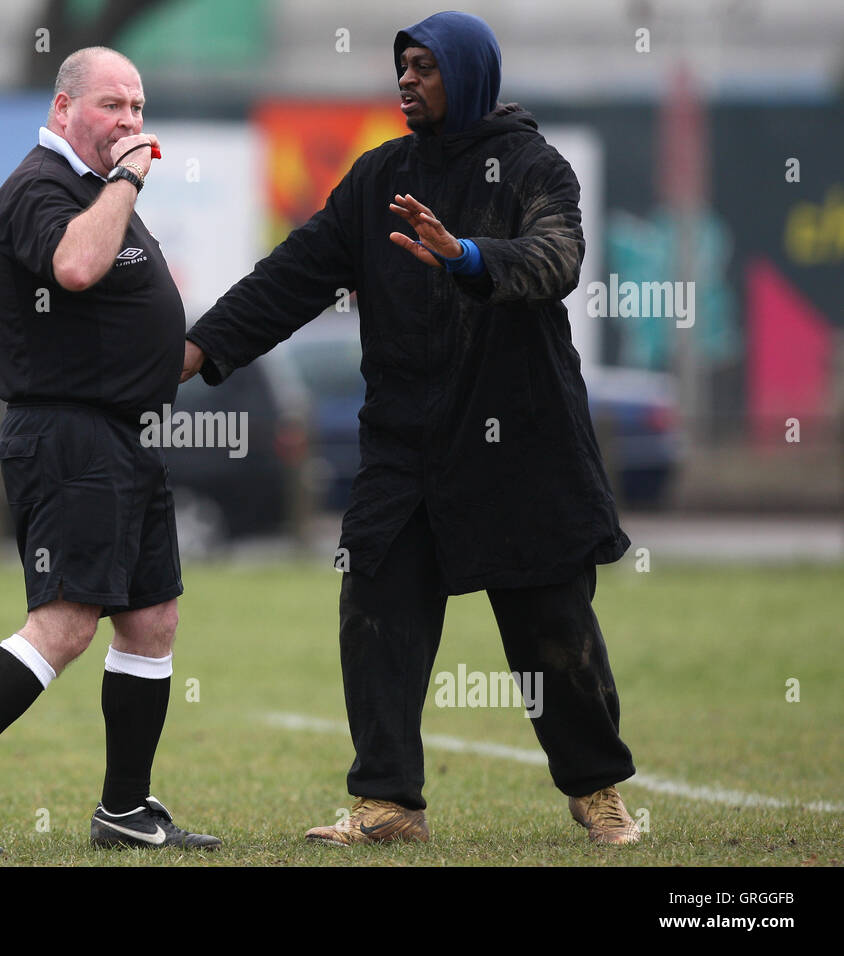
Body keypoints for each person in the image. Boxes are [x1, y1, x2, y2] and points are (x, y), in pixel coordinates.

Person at [181, 11, 640, 846]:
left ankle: (598, 790)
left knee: (553, 633)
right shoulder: (378, 176)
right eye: (403, 66)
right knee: (375, 610)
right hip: (407, 446)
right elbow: (294, 276)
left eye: (424, 67)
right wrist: (199, 348)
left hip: (521, 444)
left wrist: (466, 255)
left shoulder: (534, 167)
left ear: (465, 75)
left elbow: (556, 260)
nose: (406, 80)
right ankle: (389, 802)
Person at [0, 46, 220, 855]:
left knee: (150, 619)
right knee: (66, 624)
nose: (131, 123)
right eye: (113, 106)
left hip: (124, 435)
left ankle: (125, 810)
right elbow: (74, 265)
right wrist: (129, 181)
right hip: (68, 436)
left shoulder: (92, 187)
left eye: (138, 107)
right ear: (64, 107)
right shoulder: (40, 185)